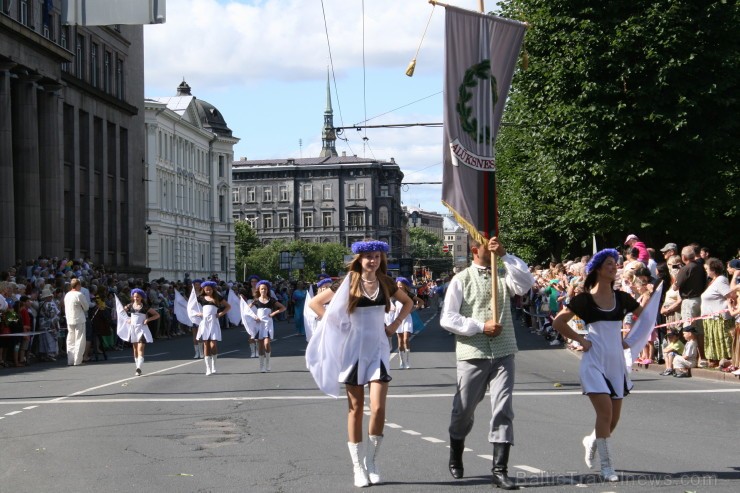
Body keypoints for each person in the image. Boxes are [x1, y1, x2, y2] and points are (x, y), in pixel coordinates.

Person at [307, 239, 414, 488]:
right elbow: (315, 304)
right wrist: (336, 324)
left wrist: (395, 326)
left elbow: (408, 302)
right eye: (368, 257)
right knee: (356, 409)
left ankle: (372, 462)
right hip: (353, 351)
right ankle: (357, 467)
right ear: (359, 259)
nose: (373, 261)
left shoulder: (386, 282)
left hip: (378, 349)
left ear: (381, 259)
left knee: (377, 409)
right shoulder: (348, 282)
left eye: (376, 256)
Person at [440, 236, 534, 490]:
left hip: (504, 351)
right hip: (473, 352)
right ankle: (456, 448)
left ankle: (499, 470)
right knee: (463, 410)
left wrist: (505, 256)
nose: (493, 248)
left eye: (497, 244)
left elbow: (525, 284)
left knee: (503, 408)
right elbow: (447, 318)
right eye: (488, 246)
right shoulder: (460, 280)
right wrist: (480, 326)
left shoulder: (504, 275)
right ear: (474, 250)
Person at [552, 248, 645, 482]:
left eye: (615, 264)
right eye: (609, 264)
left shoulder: (623, 298)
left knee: (612, 420)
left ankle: (592, 439)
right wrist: (581, 339)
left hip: (616, 363)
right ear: (597, 270)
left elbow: (646, 319)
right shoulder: (583, 300)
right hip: (594, 362)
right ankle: (607, 467)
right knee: (604, 413)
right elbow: (559, 322)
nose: (614, 267)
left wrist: (630, 340)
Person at [674, 246, 707, 365]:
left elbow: (675, 287)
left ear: (683, 257)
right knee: (699, 330)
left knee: (689, 330)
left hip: (688, 300)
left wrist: (676, 274)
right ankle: (701, 357)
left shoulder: (685, 269)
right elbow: (705, 283)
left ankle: (691, 357)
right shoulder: (700, 267)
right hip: (699, 299)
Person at [118, 289, 160, 376]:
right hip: (133, 329)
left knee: (140, 348)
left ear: (141, 297)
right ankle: (137, 366)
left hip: (142, 329)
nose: (136, 298)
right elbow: (121, 313)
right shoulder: (130, 306)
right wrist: (127, 319)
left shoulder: (145, 307)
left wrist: (148, 319)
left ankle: (139, 368)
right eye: (134, 296)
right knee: (135, 349)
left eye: (137, 297)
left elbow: (157, 315)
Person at [700, 257, 733, 368]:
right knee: (712, 339)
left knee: (722, 338)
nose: (706, 272)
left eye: (707, 269)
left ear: (713, 269)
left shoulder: (721, 280)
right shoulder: (712, 281)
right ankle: (715, 359)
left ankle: (726, 360)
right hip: (710, 317)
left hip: (719, 317)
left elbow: (730, 296)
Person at [194, 281, 231, 375]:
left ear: (213, 289)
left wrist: (220, 314)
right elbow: (192, 307)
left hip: (214, 323)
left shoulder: (217, 297)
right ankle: (208, 368)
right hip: (205, 323)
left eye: (210, 289)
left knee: (213, 345)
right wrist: (199, 314)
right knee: (206, 344)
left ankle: (214, 366)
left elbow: (228, 306)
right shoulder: (200, 298)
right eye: (206, 289)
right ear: (204, 290)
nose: (208, 291)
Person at [251, 280, 286, 372]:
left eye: (265, 289)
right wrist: (254, 317)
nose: (263, 290)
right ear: (259, 290)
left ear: (268, 290)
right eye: (262, 289)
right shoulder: (256, 301)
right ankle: (261, 365)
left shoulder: (271, 300)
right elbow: (246, 310)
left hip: (268, 324)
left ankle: (268, 363)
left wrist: (273, 313)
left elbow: (283, 307)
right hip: (259, 325)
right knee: (260, 345)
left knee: (267, 343)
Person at [388, 277, 417, 369]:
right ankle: (402, 361)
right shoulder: (394, 295)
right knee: (400, 341)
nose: (399, 286)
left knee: (406, 339)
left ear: (405, 285)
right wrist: (390, 308)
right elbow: (387, 302)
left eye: (400, 284)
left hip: (407, 318)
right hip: (397, 319)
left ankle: (407, 361)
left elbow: (420, 302)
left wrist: (412, 309)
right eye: (397, 284)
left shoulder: (409, 294)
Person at [64, 278, 90, 366]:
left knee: (70, 339)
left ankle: (70, 360)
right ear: (78, 285)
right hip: (79, 319)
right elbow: (86, 307)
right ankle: (77, 360)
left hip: (69, 318)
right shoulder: (79, 294)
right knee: (79, 339)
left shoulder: (67, 295)